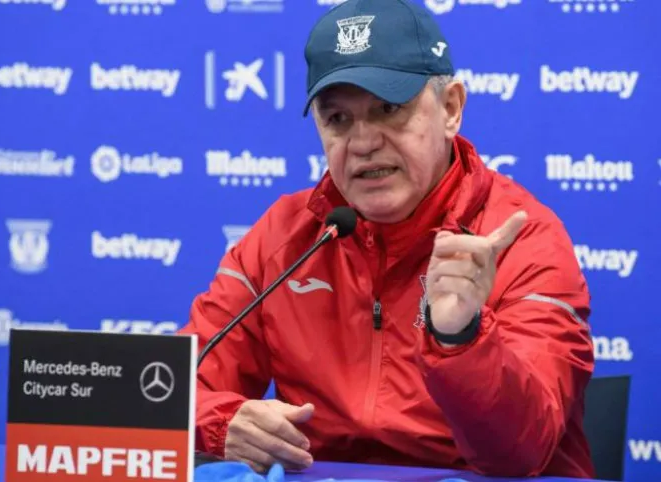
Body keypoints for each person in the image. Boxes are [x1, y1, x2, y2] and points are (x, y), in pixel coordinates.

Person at [178, 0, 596, 478]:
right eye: (337, 119)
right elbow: (169, 390)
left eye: (389, 109)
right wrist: (220, 421)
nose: (362, 142)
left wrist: (460, 337)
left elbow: (521, 452)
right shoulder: (285, 237)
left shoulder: (521, 239)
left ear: (452, 108)